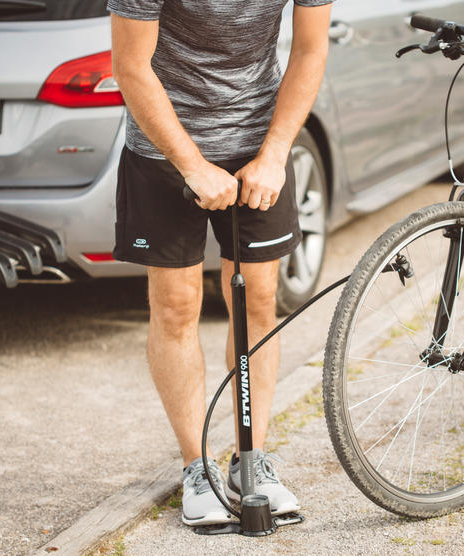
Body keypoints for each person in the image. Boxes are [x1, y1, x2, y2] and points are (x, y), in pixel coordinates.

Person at [107, 0, 334, 526]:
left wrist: (276, 153)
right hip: (163, 149)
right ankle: (197, 469)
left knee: (258, 300)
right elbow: (130, 66)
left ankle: (251, 460)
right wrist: (191, 165)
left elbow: (310, 48)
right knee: (176, 306)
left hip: (259, 143)